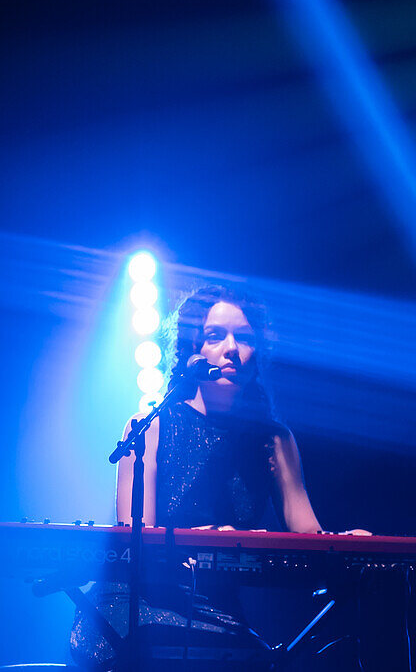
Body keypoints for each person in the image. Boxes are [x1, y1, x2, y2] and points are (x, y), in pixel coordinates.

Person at [71, 285, 322, 668]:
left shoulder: (273, 441)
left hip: (217, 613)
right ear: (193, 351)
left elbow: (310, 536)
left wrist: (345, 543)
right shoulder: (149, 428)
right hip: (135, 605)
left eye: (245, 338)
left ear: (258, 355)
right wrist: (203, 541)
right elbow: (134, 540)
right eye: (215, 335)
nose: (232, 348)